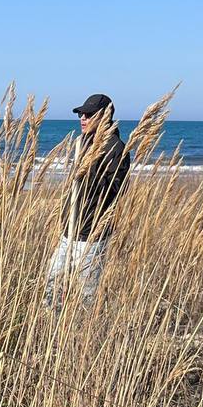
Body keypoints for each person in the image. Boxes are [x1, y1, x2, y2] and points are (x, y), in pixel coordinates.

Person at [44, 94, 131, 309]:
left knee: (86, 292)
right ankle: (50, 326)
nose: (83, 118)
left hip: (92, 233)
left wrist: (88, 174)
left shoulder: (115, 147)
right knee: (53, 281)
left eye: (89, 114)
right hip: (70, 230)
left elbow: (116, 189)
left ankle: (80, 334)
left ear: (104, 116)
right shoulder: (83, 143)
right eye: (81, 114)